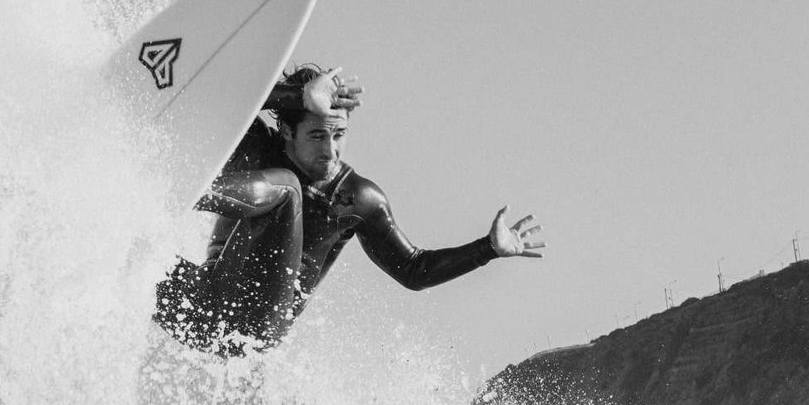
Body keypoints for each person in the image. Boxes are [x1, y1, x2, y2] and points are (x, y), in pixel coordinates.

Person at [155, 65, 545, 356]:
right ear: (288, 132)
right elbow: (210, 92)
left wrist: (488, 249)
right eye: (317, 135)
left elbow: (413, 270)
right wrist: (296, 98)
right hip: (203, 305)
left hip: (253, 327)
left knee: (286, 192)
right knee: (129, 254)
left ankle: (171, 196)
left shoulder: (357, 197)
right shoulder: (256, 144)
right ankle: (135, 205)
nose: (330, 150)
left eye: (339, 135)